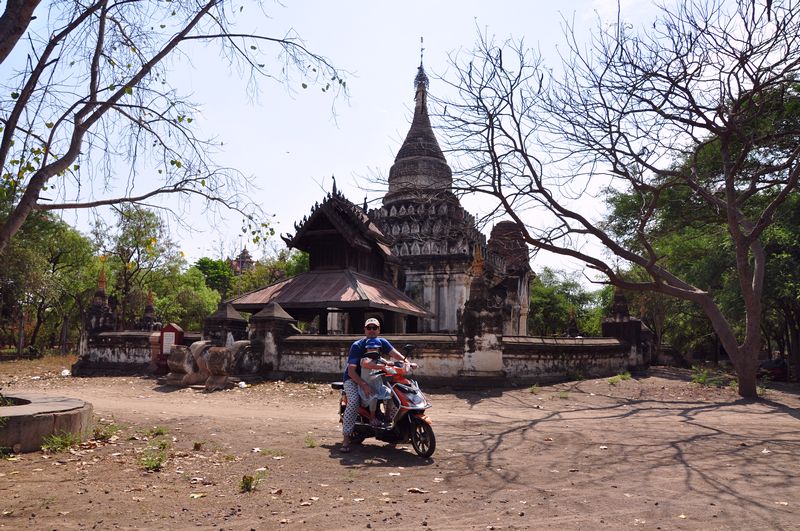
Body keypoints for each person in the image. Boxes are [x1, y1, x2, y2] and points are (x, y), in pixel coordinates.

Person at [340, 318, 407, 453]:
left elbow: (395, 355)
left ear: (379, 330)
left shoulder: (382, 342)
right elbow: (352, 371)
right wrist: (363, 384)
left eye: (374, 328)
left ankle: (388, 419)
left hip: (375, 377)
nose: (371, 330)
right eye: (369, 328)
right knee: (353, 401)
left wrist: (408, 362)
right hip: (353, 379)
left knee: (394, 393)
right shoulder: (357, 346)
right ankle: (346, 438)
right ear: (364, 330)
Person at [359, 338, 393, 427]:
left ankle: (387, 415)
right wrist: (382, 367)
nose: (372, 350)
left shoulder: (380, 359)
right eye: (370, 348)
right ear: (366, 349)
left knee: (391, 394)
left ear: (379, 349)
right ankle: (372, 418)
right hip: (366, 387)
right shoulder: (364, 359)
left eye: (375, 348)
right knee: (373, 397)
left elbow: (388, 363)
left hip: (379, 386)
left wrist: (399, 364)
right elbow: (367, 364)